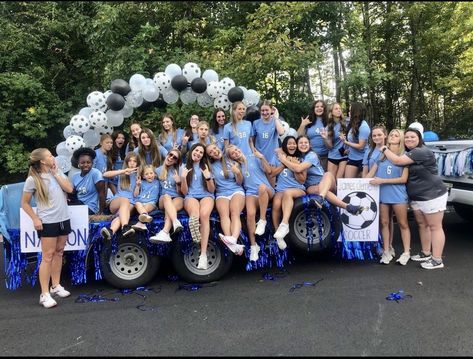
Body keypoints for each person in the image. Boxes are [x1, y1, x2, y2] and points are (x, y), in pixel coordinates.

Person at [381, 127, 448, 269]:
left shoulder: (421, 151)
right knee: (423, 225)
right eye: (407, 137)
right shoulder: (410, 153)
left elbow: (398, 161)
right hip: (418, 197)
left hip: (432, 194)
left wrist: (384, 149)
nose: (409, 139)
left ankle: (437, 260)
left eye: (413, 137)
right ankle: (425, 253)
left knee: (435, 226)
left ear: (419, 139)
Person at [21, 148, 74, 308]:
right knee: (47, 256)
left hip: (63, 219)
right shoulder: (33, 180)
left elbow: (70, 189)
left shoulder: (57, 173)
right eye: (50, 155)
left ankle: (55, 286)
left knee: (59, 252)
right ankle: (44, 294)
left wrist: (57, 173)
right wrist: (35, 218)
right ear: (43, 161)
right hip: (48, 222)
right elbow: (24, 203)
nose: (53, 157)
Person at [277, 135, 364, 215]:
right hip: (312, 186)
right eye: (301, 143)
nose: (303, 145)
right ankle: (348, 207)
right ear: (297, 145)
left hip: (325, 182)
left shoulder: (312, 155)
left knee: (328, 174)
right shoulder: (298, 157)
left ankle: (320, 198)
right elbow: (282, 149)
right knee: (319, 190)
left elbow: (298, 168)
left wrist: (284, 160)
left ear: (310, 145)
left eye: (306, 143)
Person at [368, 129, 411, 265]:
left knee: (403, 224)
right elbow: (369, 175)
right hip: (382, 194)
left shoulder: (405, 156)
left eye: (396, 135)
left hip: (398, 193)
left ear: (401, 139)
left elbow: (404, 179)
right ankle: (386, 251)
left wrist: (383, 181)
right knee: (384, 223)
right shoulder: (381, 155)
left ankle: (406, 253)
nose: (392, 136)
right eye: (391, 134)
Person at [227, 145, 274, 261]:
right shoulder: (236, 166)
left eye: (237, 150)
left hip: (266, 191)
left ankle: (262, 220)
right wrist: (237, 173)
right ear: (231, 157)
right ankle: (254, 246)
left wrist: (262, 158)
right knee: (250, 214)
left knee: (262, 187)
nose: (236, 153)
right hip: (251, 193)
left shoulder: (253, 157)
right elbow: (239, 183)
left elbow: (269, 171)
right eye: (233, 153)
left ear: (240, 149)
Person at [206, 143, 246, 257]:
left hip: (236, 190)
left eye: (214, 148)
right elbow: (213, 188)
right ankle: (232, 243)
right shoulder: (211, 167)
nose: (214, 151)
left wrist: (237, 172)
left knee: (234, 212)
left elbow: (239, 182)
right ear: (210, 156)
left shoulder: (230, 159)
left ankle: (233, 238)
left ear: (218, 148)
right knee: (224, 214)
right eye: (211, 152)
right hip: (221, 193)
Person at [180, 143, 215, 270]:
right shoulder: (183, 167)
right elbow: (184, 192)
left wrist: (208, 178)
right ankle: (195, 226)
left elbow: (211, 190)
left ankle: (203, 255)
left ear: (203, 155)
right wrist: (183, 178)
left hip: (206, 195)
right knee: (195, 215)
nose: (198, 153)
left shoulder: (206, 167)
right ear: (191, 151)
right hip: (191, 195)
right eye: (196, 150)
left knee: (204, 215)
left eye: (201, 152)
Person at [272, 136, 307, 250]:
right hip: (280, 189)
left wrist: (293, 166)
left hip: (297, 188)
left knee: (288, 193)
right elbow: (272, 174)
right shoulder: (278, 158)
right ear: (285, 146)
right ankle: (278, 235)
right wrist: (284, 162)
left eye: (294, 143)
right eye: (289, 143)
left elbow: (302, 180)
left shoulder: (300, 158)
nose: (292, 145)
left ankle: (285, 224)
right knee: (276, 204)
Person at [101, 152, 140, 240]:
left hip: (131, 202)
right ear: (126, 162)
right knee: (125, 200)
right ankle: (125, 227)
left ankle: (111, 231)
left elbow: (135, 195)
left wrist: (138, 186)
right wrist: (123, 171)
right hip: (117, 201)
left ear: (137, 163)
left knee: (121, 216)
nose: (132, 163)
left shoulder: (138, 175)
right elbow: (105, 174)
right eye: (130, 161)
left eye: (134, 161)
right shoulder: (121, 172)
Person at [151, 149, 184, 243]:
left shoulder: (178, 170)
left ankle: (165, 232)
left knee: (171, 206)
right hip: (163, 199)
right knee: (166, 196)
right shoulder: (157, 170)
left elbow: (181, 193)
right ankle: (175, 221)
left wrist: (178, 182)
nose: (171, 158)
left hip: (177, 197)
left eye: (175, 158)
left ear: (176, 161)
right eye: (170, 155)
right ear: (167, 154)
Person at [71, 147, 106, 215]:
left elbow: (102, 194)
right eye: (82, 163)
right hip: (77, 205)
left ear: (92, 163)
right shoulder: (75, 176)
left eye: (88, 162)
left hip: (90, 208)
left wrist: (101, 212)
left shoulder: (96, 173)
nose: (86, 165)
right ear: (78, 163)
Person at [340, 102, 371, 178]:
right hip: (352, 158)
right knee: (348, 183)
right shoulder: (352, 124)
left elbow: (361, 146)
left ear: (356, 112)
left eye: (350, 111)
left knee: (363, 185)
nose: (349, 113)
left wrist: (346, 142)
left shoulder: (364, 126)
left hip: (363, 159)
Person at [252, 99, 285, 169]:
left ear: (271, 110)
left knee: (272, 177)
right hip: (260, 156)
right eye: (262, 110)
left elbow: (281, 132)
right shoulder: (256, 123)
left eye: (267, 110)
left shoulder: (275, 121)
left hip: (272, 157)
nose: (265, 112)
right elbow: (252, 141)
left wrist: (276, 118)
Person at [297, 100, 329, 170]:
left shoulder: (329, 121)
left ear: (324, 109)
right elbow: (298, 136)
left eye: (321, 106)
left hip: (325, 157)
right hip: (310, 155)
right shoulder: (308, 121)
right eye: (317, 106)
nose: (319, 108)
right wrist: (302, 125)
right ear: (313, 109)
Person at [132, 164, 160, 232]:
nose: (149, 175)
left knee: (148, 206)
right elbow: (135, 195)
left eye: (151, 173)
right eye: (146, 174)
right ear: (144, 176)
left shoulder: (157, 182)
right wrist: (138, 186)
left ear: (155, 174)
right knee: (137, 203)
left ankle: (141, 221)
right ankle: (144, 216)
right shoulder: (142, 183)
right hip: (141, 202)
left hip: (151, 202)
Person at [323, 102, 348, 178]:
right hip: (333, 156)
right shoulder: (328, 127)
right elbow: (330, 147)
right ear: (331, 112)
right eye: (336, 109)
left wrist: (349, 148)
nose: (339, 110)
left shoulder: (347, 123)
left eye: (340, 108)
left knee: (339, 180)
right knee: (331, 180)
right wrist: (325, 138)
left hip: (344, 155)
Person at [109, 130, 128, 195]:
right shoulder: (109, 152)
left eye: (123, 138)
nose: (121, 140)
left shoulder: (125, 151)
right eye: (118, 138)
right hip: (112, 182)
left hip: (123, 181)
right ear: (114, 140)